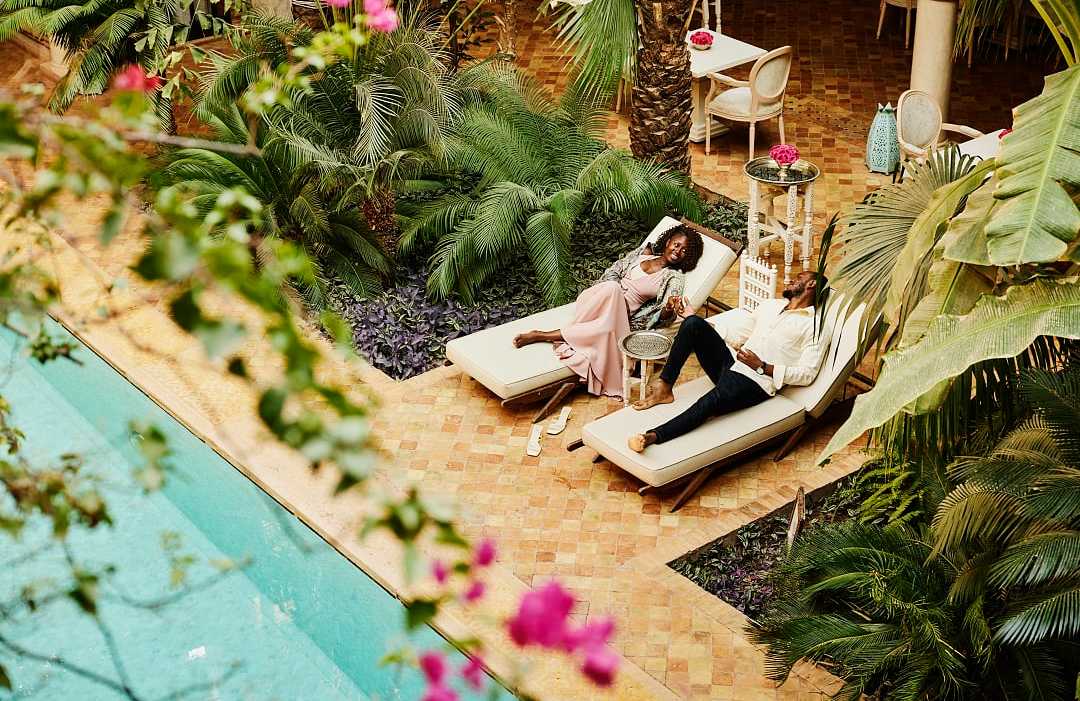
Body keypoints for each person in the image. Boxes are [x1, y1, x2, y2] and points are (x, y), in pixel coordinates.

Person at [628, 270, 829, 452]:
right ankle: (664, 388)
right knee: (692, 323)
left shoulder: (815, 327)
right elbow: (740, 333)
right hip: (733, 364)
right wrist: (695, 322)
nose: (792, 279)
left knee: (710, 402)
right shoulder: (771, 306)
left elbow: (807, 373)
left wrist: (762, 366)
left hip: (756, 382)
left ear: (811, 284)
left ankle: (653, 436)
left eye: (799, 277)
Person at [513, 225, 705, 398]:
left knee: (605, 322)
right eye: (677, 244)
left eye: (685, 251)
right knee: (612, 288)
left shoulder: (673, 278)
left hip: (619, 316)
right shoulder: (643, 254)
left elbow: (665, 317)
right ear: (669, 241)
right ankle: (550, 335)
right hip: (598, 299)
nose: (679, 251)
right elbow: (611, 273)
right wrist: (615, 285)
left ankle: (542, 335)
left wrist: (669, 308)